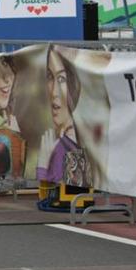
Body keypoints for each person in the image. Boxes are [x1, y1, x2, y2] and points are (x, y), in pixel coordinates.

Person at [36, 45, 92, 186]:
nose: (54, 92)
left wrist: (42, 164)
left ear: (74, 84)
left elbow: (71, 191)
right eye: (49, 77)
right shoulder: (51, 137)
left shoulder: (74, 142)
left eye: (61, 79)